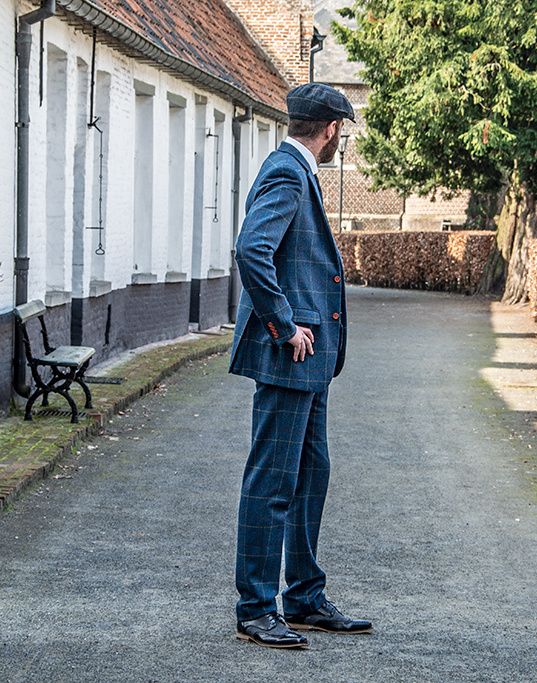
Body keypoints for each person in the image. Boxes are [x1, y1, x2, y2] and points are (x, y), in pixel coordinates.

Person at [229, 82, 372, 648]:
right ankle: (256, 609)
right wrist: (285, 324)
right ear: (332, 129)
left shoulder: (297, 170)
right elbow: (251, 249)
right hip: (290, 353)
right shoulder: (288, 172)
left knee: (312, 475)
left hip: (312, 362)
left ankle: (305, 597)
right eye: (343, 131)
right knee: (272, 480)